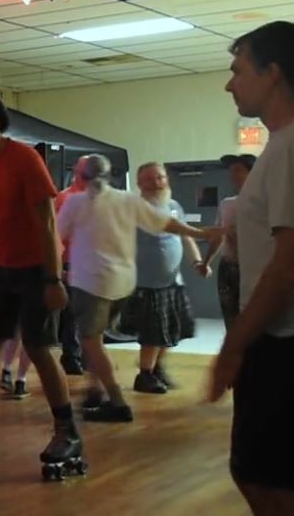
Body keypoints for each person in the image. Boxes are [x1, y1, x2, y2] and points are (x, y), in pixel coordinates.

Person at [0, 93, 84, 480]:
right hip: (2, 268)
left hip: (36, 267)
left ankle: (66, 431)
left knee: (40, 348)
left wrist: (53, 278)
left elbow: (46, 221)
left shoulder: (24, 159)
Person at [57, 154, 215, 423]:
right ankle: (97, 391)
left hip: (92, 283)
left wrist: (50, 275)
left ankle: (115, 400)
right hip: (124, 283)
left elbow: (55, 237)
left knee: (92, 342)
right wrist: (203, 234)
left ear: (79, 177)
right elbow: (164, 223)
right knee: (97, 343)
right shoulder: (127, 199)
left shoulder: (76, 202)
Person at [208, 21, 294, 515]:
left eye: (237, 70)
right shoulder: (277, 149)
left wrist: (233, 346)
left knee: (264, 477)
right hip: (274, 343)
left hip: (281, 345)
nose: (229, 83)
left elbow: (285, 267)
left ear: (273, 73)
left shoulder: (287, 150)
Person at [122, 162, 205, 393]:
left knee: (173, 329)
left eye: (160, 177)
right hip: (146, 284)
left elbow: (187, 237)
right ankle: (144, 376)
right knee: (152, 334)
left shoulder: (174, 206)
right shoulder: (133, 209)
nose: (156, 183)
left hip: (173, 283)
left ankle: (157, 368)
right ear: (139, 184)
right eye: (149, 179)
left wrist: (197, 261)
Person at [200, 153, 255, 328]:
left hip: (253, 267)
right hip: (228, 267)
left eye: (238, 170)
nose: (233, 175)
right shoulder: (226, 204)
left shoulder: (265, 202)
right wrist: (206, 261)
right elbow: (218, 235)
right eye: (231, 171)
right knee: (231, 318)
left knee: (252, 318)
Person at [55, 157, 89, 375]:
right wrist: (61, 268)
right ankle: (71, 357)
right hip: (71, 263)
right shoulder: (65, 198)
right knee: (73, 315)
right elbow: (55, 235)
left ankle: (88, 356)